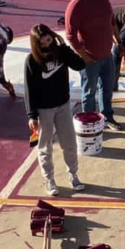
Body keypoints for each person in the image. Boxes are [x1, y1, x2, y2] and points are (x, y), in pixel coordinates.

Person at [25, 24, 87, 196]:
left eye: (48, 39)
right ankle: (50, 179)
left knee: (69, 143)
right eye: (43, 42)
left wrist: (68, 51)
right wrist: (32, 115)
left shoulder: (61, 53)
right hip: (44, 109)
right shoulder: (32, 60)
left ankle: (73, 175)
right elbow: (29, 89)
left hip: (63, 105)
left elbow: (80, 65)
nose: (47, 44)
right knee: (45, 147)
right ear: (36, 44)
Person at [65, 0, 124, 131]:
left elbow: (112, 22)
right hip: (90, 59)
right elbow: (70, 36)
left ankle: (107, 117)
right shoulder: (76, 6)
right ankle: (90, 121)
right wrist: (84, 56)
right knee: (89, 92)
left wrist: (119, 42)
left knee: (107, 88)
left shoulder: (103, 0)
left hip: (107, 55)